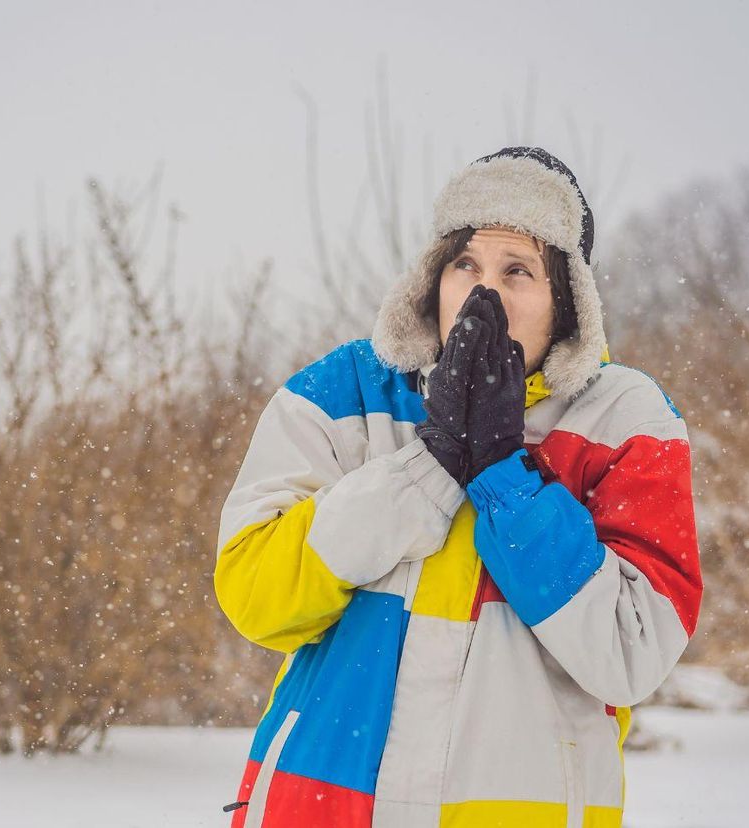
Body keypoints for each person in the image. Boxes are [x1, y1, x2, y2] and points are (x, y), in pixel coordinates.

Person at [214, 145, 703, 828]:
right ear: (432, 277)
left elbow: (631, 653)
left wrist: (505, 476)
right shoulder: (343, 391)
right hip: (322, 807)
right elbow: (255, 597)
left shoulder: (628, 422)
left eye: (519, 270)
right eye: (464, 263)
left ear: (568, 302)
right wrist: (431, 463)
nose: (484, 294)